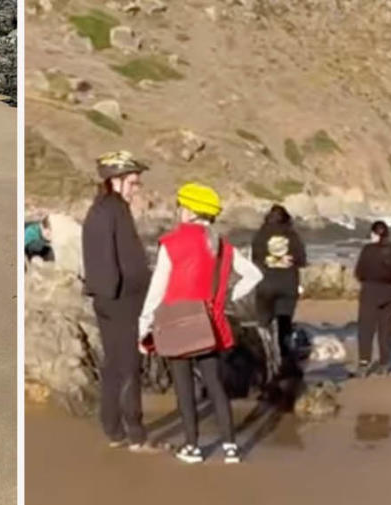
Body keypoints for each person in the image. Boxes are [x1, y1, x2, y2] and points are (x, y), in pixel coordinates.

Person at [137, 183, 263, 464]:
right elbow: (254, 275)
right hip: (212, 323)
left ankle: (192, 447)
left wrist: (144, 326)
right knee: (216, 385)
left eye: (181, 206)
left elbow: (157, 290)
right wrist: (228, 295)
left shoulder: (172, 243)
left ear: (191, 211)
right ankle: (231, 446)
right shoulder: (224, 246)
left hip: (178, 322)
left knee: (184, 388)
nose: (178, 210)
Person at [82, 151, 153, 451]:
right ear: (116, 181)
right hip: (123, 299)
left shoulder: (98, 209)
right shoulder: (115, 211)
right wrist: (147, 291)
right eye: (133, 183)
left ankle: (113, 430)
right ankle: (135, 435)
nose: (136, 189)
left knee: (113, 366)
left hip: (105, 297)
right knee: (128, 368)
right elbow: (128, 260)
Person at [251, 204, 307, 373]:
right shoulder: (292, 235)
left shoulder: (260, 235)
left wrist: (270, 261)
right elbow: (302, 260)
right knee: (284, 326)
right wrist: (286, 260)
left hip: (265, 285)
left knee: (263, 325)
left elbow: (254, 258)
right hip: (287, 285)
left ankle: (264, 360)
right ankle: (284, 363)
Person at [354, 220, 391, 377]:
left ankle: (364, 362)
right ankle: (385, 363)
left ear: (375, 234)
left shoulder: (367, 250)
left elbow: (359, 272)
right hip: (390, 291)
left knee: (366, 328)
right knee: (385, 328)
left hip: (370, 290)